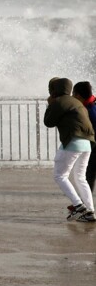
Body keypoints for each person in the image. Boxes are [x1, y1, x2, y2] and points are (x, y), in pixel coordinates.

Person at [44, 77, 95, 222]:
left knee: (60, 175)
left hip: (73, 142)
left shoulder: (60, 102)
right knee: (80, 177)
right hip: (87, 143)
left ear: (55, 90)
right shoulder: (77, 102)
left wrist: (50, 105)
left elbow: (48, 122)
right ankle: (90, 211)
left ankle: (79, 205)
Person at [72, 81, 96, 192]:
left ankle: (86, 204)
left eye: (73, 94)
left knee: (89, 174)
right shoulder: (91, 105)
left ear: (78, 96)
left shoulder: (89, 110)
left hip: (94, 146)